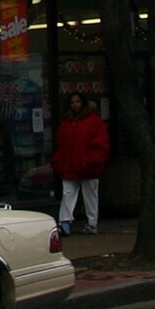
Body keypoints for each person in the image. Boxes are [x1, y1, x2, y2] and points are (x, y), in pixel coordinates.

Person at [52, 90, 110, 236]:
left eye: (77, 102)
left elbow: (100, 145)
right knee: (71, 194)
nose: (75, 105)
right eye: (72, 102)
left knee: (86, 195)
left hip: (84, 166)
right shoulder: (71, 123)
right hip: (76, 165)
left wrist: (90, 160)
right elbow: (60, 144)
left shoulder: (91, 122)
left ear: (82, 103)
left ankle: (88, 223)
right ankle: (66, 222)